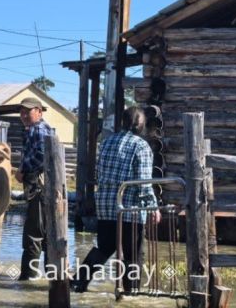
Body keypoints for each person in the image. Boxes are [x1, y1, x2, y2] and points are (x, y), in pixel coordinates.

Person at [72, 106, 160, 293]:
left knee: (104, 248)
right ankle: (130, 294)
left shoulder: (107, 142)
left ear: (122, 123)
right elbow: (143, 183)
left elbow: (100, 173)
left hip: (105, 206)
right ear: (141, 126)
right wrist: (153, 207)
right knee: (133, 255)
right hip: (130, 210)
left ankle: (78, 283)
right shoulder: (141, 146)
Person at [13, 97, 54, 281]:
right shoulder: (33, 129)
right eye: (21, 112)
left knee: (33, 233)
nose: (23, 115)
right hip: (40, 187)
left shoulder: (39, 128)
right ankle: (52, 277)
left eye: (27, 111)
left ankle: (27, 279)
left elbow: (42, 155)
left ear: (39, 111)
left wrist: (23, 169)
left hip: (39, 187)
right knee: (45, 233)